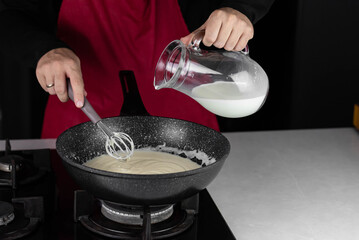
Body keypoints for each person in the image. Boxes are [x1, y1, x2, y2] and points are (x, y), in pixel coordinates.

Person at [0, 0, 274, 213]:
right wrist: (43, 50)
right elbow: (8, 11)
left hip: (183, 112)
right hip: (81, 108)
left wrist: (240, 9)